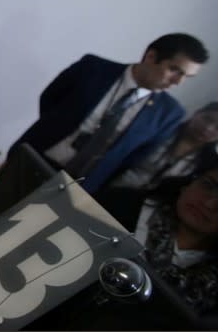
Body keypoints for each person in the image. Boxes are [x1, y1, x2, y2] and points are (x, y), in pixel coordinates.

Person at [15, 33, 209, 193]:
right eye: (174, 70)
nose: (178, 82)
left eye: (187, 77)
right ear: (151, 56)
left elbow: (133, 158)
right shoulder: (94, 68)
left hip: (76, 188)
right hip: (33, 157)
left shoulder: (170, 113)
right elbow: (50, 98)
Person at [96, 166, 218, 315]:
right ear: (190, 182)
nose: (210, 204)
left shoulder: (210, 289)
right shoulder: (119, 204)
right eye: (208, 185)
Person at [112, 102, 218, 190]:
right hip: (116, 185)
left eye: (217, 128)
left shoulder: (209, 162)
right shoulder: (163, 129)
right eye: (207, 119)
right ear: (197, 113)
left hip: (149, 208)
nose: (208, 128)